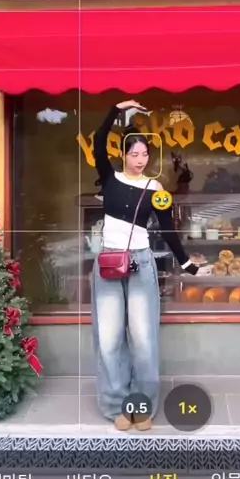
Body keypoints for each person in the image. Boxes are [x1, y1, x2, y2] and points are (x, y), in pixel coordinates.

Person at [92, 100, 202, 432]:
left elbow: (168, 230)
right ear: (124, 155)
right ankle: (116, 405)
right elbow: (99, 139)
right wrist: (117, 108)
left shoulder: (155, 189)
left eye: (144, 154)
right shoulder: (109, 178)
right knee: (109, 339)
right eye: (134, 154)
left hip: (140, 262)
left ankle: (142, 406)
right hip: (108, 262)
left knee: (143, 339)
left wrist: (187, 263)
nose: (140, 160)